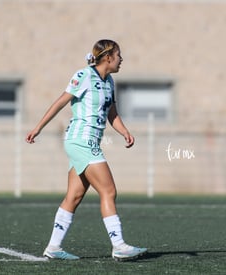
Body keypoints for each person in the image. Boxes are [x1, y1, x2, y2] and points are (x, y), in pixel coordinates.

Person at [26, 39, 147, 261]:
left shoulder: (109, 81)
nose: (122, 60)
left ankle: (53, 247)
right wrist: (38, 127)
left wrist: (125, 132)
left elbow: (112, 114)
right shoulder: (84, 76)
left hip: (88, 142)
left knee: (74, 195)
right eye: (119, 55)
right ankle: (119, 245)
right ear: (108, 57)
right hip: (81, 141)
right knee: (109, 191)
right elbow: (60, 102)